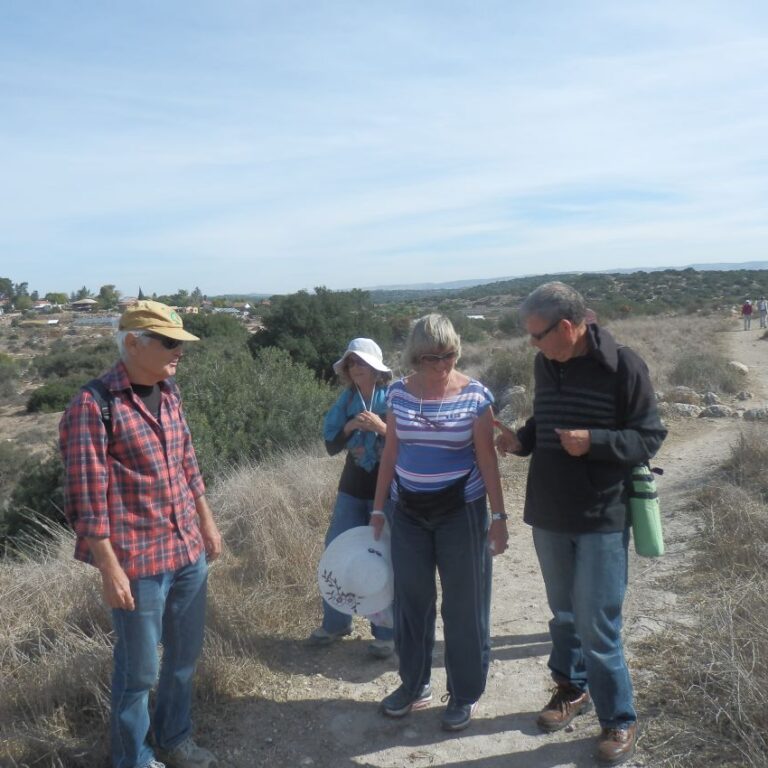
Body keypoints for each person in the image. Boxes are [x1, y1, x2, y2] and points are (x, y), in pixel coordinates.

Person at [496, 283, 666, 766]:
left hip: (601, 517)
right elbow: (545, 419)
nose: (532, 345)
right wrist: (520, 441)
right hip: (549, 512)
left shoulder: (623, 365)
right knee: (564, 615)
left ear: (567, 328)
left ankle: (619, 717)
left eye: (537, 335)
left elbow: (649, 436)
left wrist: (593, 442)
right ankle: (572, 690)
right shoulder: (546, 363)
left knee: (597, 623)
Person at [59, 300, 222, 768]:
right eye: (170, 343)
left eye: (181, 343)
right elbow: (87, 503)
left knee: (184, 661)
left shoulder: (169, 392)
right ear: (133, 343)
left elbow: (187, 462)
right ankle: (134, 759)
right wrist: (110, 570)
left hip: (186, 551)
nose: (179, 352)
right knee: (138, 674)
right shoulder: (92, 405)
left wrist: (205, 518)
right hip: (137, 564)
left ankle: (176, 739)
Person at [371, 314, 508, 732]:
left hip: (460, 513)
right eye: (432, 357)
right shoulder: (397, 393)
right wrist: (378, 508)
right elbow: (390, 454)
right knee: (412, 604)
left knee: (464, 606)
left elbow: (487, 459)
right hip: (408, 512)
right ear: (416, 356)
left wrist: (499, 516)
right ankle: (414, 685)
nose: (442, 365)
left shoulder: (476, 397)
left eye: (448, 355)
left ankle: (464, 694)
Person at [308, 338, 395, 659]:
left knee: (384, 556)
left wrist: (381, 427)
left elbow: (410, 440)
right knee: (336, 552)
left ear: (376, 368)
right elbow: (331, 444)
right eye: (351, 363)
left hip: (387, 492)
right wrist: (349, 425)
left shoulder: (395, 398)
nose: (356, 368)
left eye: (361, 363)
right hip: (352, 489)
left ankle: (386, 634)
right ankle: (335, 623)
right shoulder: (346, 401)